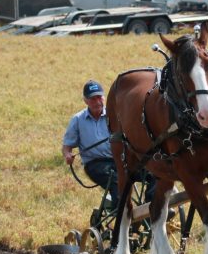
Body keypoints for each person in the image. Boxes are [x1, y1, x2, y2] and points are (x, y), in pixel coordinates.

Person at [62, 80, 156, 208]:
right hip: (96, 164)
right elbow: (67, 146)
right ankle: (122, 219)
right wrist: (68, 155)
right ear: (85, 100)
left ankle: (152, 208)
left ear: (104, 97)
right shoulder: (78, 120)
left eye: (99, 97)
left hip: (121, 159)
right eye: (92, 99)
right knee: (118, 183)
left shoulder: (116, 115)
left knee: (155, 172)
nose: (97, 102)